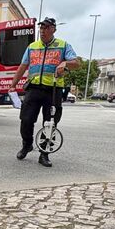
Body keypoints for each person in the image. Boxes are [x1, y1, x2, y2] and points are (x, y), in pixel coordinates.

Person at [9, 17, 80, 167]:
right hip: (34, 88)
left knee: (50, 123)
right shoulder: (32, 46)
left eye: (46, 28)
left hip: (53, 90)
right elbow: (23, 66)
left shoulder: (63, 45)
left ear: (53, 29)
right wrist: (13, 85)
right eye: (41, 28)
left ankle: (44, 153)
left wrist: (65, 63)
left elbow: (76, 63)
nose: (43, 31)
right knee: (26, 120)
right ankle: (27, 144)